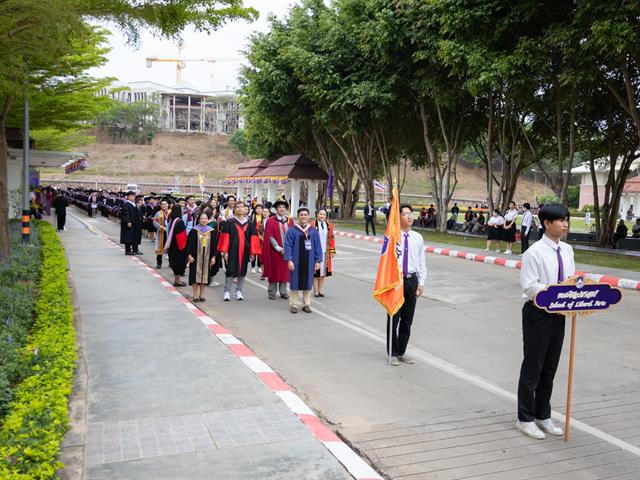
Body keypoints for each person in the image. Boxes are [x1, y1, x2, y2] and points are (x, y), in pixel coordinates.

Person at [517, 204, 575, 440]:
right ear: (546, 224)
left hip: (560, 315)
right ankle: (525, 418)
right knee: (533, 367)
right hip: (538, 313)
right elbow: (530, 286)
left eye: (567, 220)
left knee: (550, 368)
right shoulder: (534, 252)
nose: (565, 224)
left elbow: (571, 278)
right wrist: (556, 292)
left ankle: (543, 415)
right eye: (560, 220)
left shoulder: (568, 250)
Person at [387, 204, 427, 366]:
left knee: (407, 319)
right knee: (393, 318)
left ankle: (402, 351)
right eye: (405, 214)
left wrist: (421, 282)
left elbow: (422, 262)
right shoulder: (392, 237)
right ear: (399, 217)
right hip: (396, 280)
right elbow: (386, 261)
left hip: (411, 280)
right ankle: (392, 353)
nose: (410, 216)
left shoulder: (417, 237)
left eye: (411, 213)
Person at [217, 200, 261, 301]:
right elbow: (225, 237)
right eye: (238, 207)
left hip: (245, 251)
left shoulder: (249, 223)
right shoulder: (230, 222)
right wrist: (225, 252)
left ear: (245, 209)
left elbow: (253, 238)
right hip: (232, 251)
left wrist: (252, 252)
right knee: (230, 271)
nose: (240, 209)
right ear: (235, 209)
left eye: (242, 207)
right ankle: (227, 292)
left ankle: (238, 291)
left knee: (242, 271)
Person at [284, 208, 323, 313]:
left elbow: (318, 246)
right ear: (298, 216)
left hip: (309, 262)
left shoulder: (313, 231)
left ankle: (306, 304)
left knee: (308, 282)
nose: (303, 217)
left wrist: (318, 261)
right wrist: (289, 260)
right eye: (301, 215)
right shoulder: (292, 230)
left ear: (309, 216)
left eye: (305, 215)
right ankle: (294, 304)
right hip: (296, 261)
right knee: (295, 282)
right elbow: (287, 246)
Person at [262, 200, 292, 300]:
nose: (282, 209)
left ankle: (283, 291)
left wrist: (288, 248)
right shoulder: (271, 220)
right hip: (275, 251)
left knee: (285, 272)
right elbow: (269, 236)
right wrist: (278, 248)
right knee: (274, 271)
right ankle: (272, 292)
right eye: (279, 207)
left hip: (287, 251)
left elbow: (292, 236)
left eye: (283, 207)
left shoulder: (289, 221)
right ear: (276, 209)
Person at [187, 212, 218, 302]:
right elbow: (188, 245)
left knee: (204, 277)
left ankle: (202, 294)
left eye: (205, 218)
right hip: (195, 257)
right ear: (198, 219)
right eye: (202, 218)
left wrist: (214, 257)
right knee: (194, 276)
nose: (204, 220)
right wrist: (189, 255)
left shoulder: (211, 231)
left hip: (207, 257)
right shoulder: (194, 231)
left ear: (208, 220)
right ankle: (195, 294)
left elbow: (214, 246)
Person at [311, 209, 336, 297]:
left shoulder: (329, 225)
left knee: (323, 272)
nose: (322, 216)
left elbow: (332, 238)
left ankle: (321, 291)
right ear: (317, 215)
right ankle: (316, 291)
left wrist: (332, 251)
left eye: (324, 214)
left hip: (326, 251)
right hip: (315, 252)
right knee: (315, 272)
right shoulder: (312, 225)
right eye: (320, 214)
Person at [165, 204, 188, 287]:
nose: (183, 211)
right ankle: (177, 281)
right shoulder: (179, 221)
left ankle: (177, 280)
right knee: (179, 263)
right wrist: (184, 248)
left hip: (173, 245)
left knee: (175, 263)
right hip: (178, 247)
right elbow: (181, 236)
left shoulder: (172, 220)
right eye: (181, 209)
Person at [120, 191, 143, 255]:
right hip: (129, 223)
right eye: (131, 196)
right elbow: (126, 214)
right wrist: (128, 221)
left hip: (135, 223)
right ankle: (128, 250)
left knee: (135, 236)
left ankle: (135, 249)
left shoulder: (134, 204)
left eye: (134, 196)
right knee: (128, 236)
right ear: (128, 197)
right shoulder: (126, 204)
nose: (133, 197)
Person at [152, 198, 170, 269]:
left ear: (168, 204)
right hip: (161, 233)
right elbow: (154, 222)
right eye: (162, 204)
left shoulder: (171, 212)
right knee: (160, 249)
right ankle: (159, 263)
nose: (164, 205)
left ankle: (171, 263)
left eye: (165, 204)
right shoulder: (158, 213)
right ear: (160, 205)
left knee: (170, 248)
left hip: (169, 233)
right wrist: (161, 227)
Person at [250, 204, 265, 274]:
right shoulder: (252, 217)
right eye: (257, 208)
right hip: (254, 236)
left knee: (260, 253)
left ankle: (259, 267)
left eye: (260, 208)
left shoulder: (264, 217)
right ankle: (253, 267)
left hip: (261, 237)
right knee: (254, 251)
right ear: (255, 210)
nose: (259, 210)